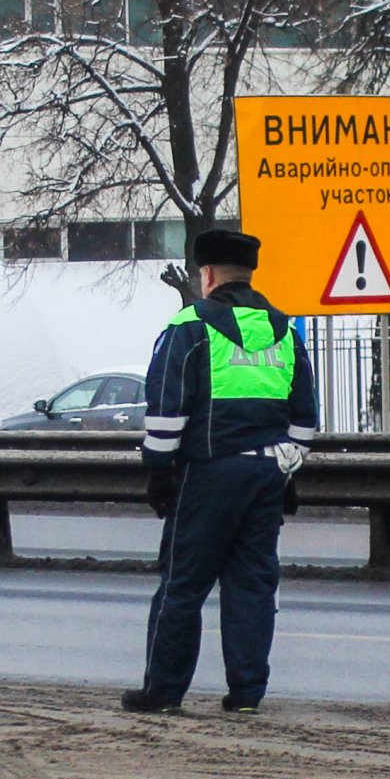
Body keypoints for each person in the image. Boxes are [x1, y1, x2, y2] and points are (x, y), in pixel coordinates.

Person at [122, 228, 318, 716]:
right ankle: (246, 695)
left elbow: (167, 410)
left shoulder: (189, 327)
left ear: (206, 275)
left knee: (182, 585)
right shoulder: (283, 329)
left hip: (208, 474)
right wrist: (286, 470)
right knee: (252, 585)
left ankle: (163, 693)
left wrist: (158, 471)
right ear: (248, 272)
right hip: (267, 475)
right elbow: (305, 420)